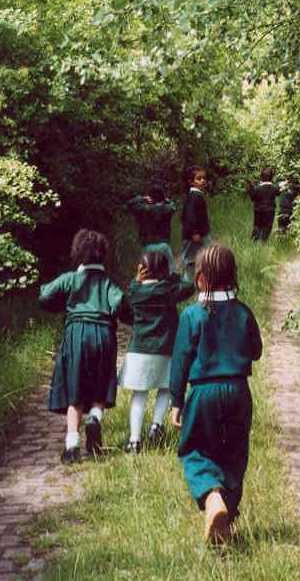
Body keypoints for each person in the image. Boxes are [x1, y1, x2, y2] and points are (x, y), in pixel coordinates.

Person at [169, 244, 263, 543]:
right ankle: (227, 520)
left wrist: (176, 401)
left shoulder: (192, 316)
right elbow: (256, 351)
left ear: (199, 278)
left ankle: (212, 499)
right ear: (233, 276)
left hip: (204, 392)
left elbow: (181, 360)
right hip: (238, 391)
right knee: (234, 455)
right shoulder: (243, 312)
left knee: (195, 449)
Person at [39, 229, 128, 464]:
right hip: (103, 334)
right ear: (103, 255)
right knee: (100, 385)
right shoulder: (108, 283)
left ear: (78, 253)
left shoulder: (70, 279)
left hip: (76, 334)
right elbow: (121, 303)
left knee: (74, 390)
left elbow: (45, 295)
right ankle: (95, 418)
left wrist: (64, 307)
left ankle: (71, 447)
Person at [119, 250, 196, 453]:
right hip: (165, 348)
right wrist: (174, 275)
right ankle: (156, 425)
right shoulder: (167, 290)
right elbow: (189, 287)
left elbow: (128, 295)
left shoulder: (135, 291)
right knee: (165, 388)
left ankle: (134, 440)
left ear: (141, 270)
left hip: (139, 350)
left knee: (139, 395)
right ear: (164, 270)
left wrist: (136, 280)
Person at [126, 183, 177, 273]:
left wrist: (142, 198)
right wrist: (165, 200)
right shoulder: (166, 209)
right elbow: (173, 205)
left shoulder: (143, 209)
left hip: (148, 245)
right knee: (171, 274)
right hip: (163, 244)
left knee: (146, 274)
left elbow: (129, 204)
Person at [180, 165, 211, 279]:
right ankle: (187, 284)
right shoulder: (194, 196)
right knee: (191, 260)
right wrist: (194, 232)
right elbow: (189, 215)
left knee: (206, 256)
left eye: (204, 178)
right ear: (190, 181)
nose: (203, 181)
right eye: (199, 178)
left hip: (201, 233)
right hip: (194, 235)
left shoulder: (196, 195)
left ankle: (204, 281)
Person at [247, 167, 279, 241]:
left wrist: (250, 189)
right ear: (272, 177)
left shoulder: (257, 188)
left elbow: (252, 198)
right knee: (267, 227)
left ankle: (254, 241)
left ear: (261, 177)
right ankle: (263, 242)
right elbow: (278, 192)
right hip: (270, 211)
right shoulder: (274, 188)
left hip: (258, 210)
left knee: (257, 226)